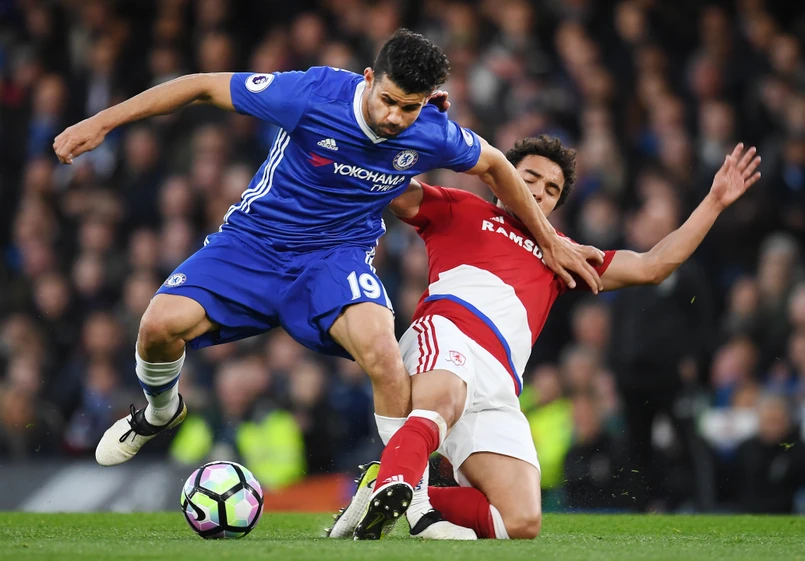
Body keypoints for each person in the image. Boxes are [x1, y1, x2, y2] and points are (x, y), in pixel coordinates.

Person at [52, 30, 603, 470]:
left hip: (336, 258)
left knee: (384, 355)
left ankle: (405, 494)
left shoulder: (432, 131)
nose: (395, 117)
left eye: (409, 108)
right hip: (255, 242)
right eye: (388, 100)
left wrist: (549, 241)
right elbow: (200, 85)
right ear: (369, 79)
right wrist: (102, 123)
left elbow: (497, 165)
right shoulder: (312, 94)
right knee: (157, 327)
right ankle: (160, 411)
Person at [329, 136, 761, 540]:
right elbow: (390, 187)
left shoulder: (563, 253)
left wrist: (714, 201)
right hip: (448, 332)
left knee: (520, 519)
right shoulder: (460, 207)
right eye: (529, 178)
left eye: (551, 189)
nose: (538, 192)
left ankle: (386, 485)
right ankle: (404, 489)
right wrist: (401, 132)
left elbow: (652, 266)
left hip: (500, 384)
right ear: (501, 177)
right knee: (441, 402)